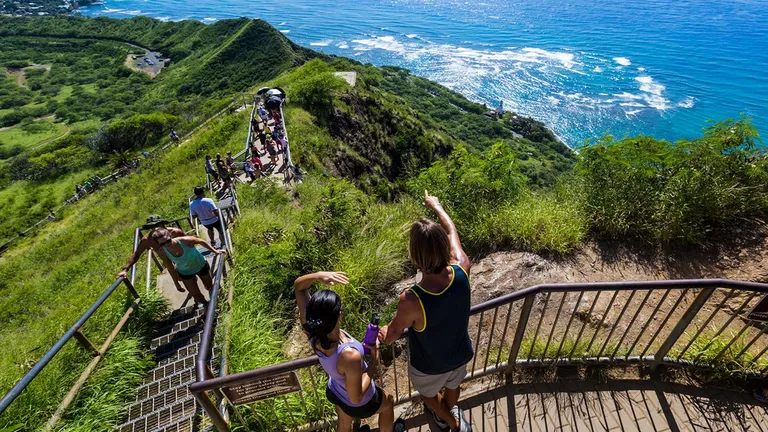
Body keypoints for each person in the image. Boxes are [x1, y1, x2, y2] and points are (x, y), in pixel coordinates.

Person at [379, 191, 473, 432]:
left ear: (415, 255)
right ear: (444, 247)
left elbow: (392, 334)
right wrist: (437, 206)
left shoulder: (412, 299)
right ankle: (450, 413)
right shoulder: (462, 267)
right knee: (453, 386)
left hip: (429, 366)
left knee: (430, 396)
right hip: (460, 353)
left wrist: (381, 334)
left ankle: (452, 423)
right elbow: (451, 230)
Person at [294, 271, 404, 432]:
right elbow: (356, 397)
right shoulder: (349, 355)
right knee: (388, 402)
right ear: (339, 315)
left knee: (345, 421)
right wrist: (374, 360)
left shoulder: (312, 332)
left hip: (335, 390)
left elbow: (299, 288)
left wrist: (318, 276)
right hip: (358, 402)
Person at [152, 229, 225, 306]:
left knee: (209, 286)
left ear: (170, 236)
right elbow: (170, 267)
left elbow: (200, 241)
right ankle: (207, 306)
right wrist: (176, 283)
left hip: (200, 265)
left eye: (168, 241)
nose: (167, 245)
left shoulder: (185, 241)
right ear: (158, 244)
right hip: (185, 272)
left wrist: (215, 251)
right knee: (196, 295)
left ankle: (221, 300)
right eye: (162, 244)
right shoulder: (162, 252)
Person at [117, 215, 186, 292]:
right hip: (168, 261)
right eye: (152, 226)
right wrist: (125, 269)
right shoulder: (147, 240)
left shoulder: (175, 232)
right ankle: (179, 284)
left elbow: (190, 244)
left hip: (184, 258)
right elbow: (137, 254)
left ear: (163, 223)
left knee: (188, 278)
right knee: (179, 276)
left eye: (157, 225)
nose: (155, 228)